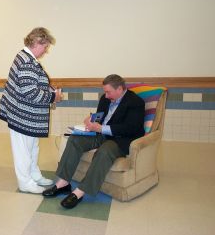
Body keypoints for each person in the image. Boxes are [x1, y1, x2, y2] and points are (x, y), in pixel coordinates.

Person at [42, 74, 145, 209]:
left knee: (104, 151)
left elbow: (131, 128)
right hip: (99, 134)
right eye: (105, 92)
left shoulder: (135, 102)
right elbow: (100, 117)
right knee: (75, 139)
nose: (106, 95)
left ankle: (80, 192)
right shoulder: (105, 98)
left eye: (108, 92)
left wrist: (102, 128)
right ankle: (63, 183)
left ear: (120, 89)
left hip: (120, 140)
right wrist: (91, 121)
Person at [0, 27, 62, 194]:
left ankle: (34, 175)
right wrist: (53, 97)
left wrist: (49, 90)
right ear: (37, 43)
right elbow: (30, 92)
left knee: (32, 148)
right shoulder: (27, 61)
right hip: (22, 116)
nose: (46, 51)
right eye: (45, 46)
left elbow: (32, 85)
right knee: (23, 151)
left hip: (27, 116)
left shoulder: (26, 57)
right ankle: (25, 182)